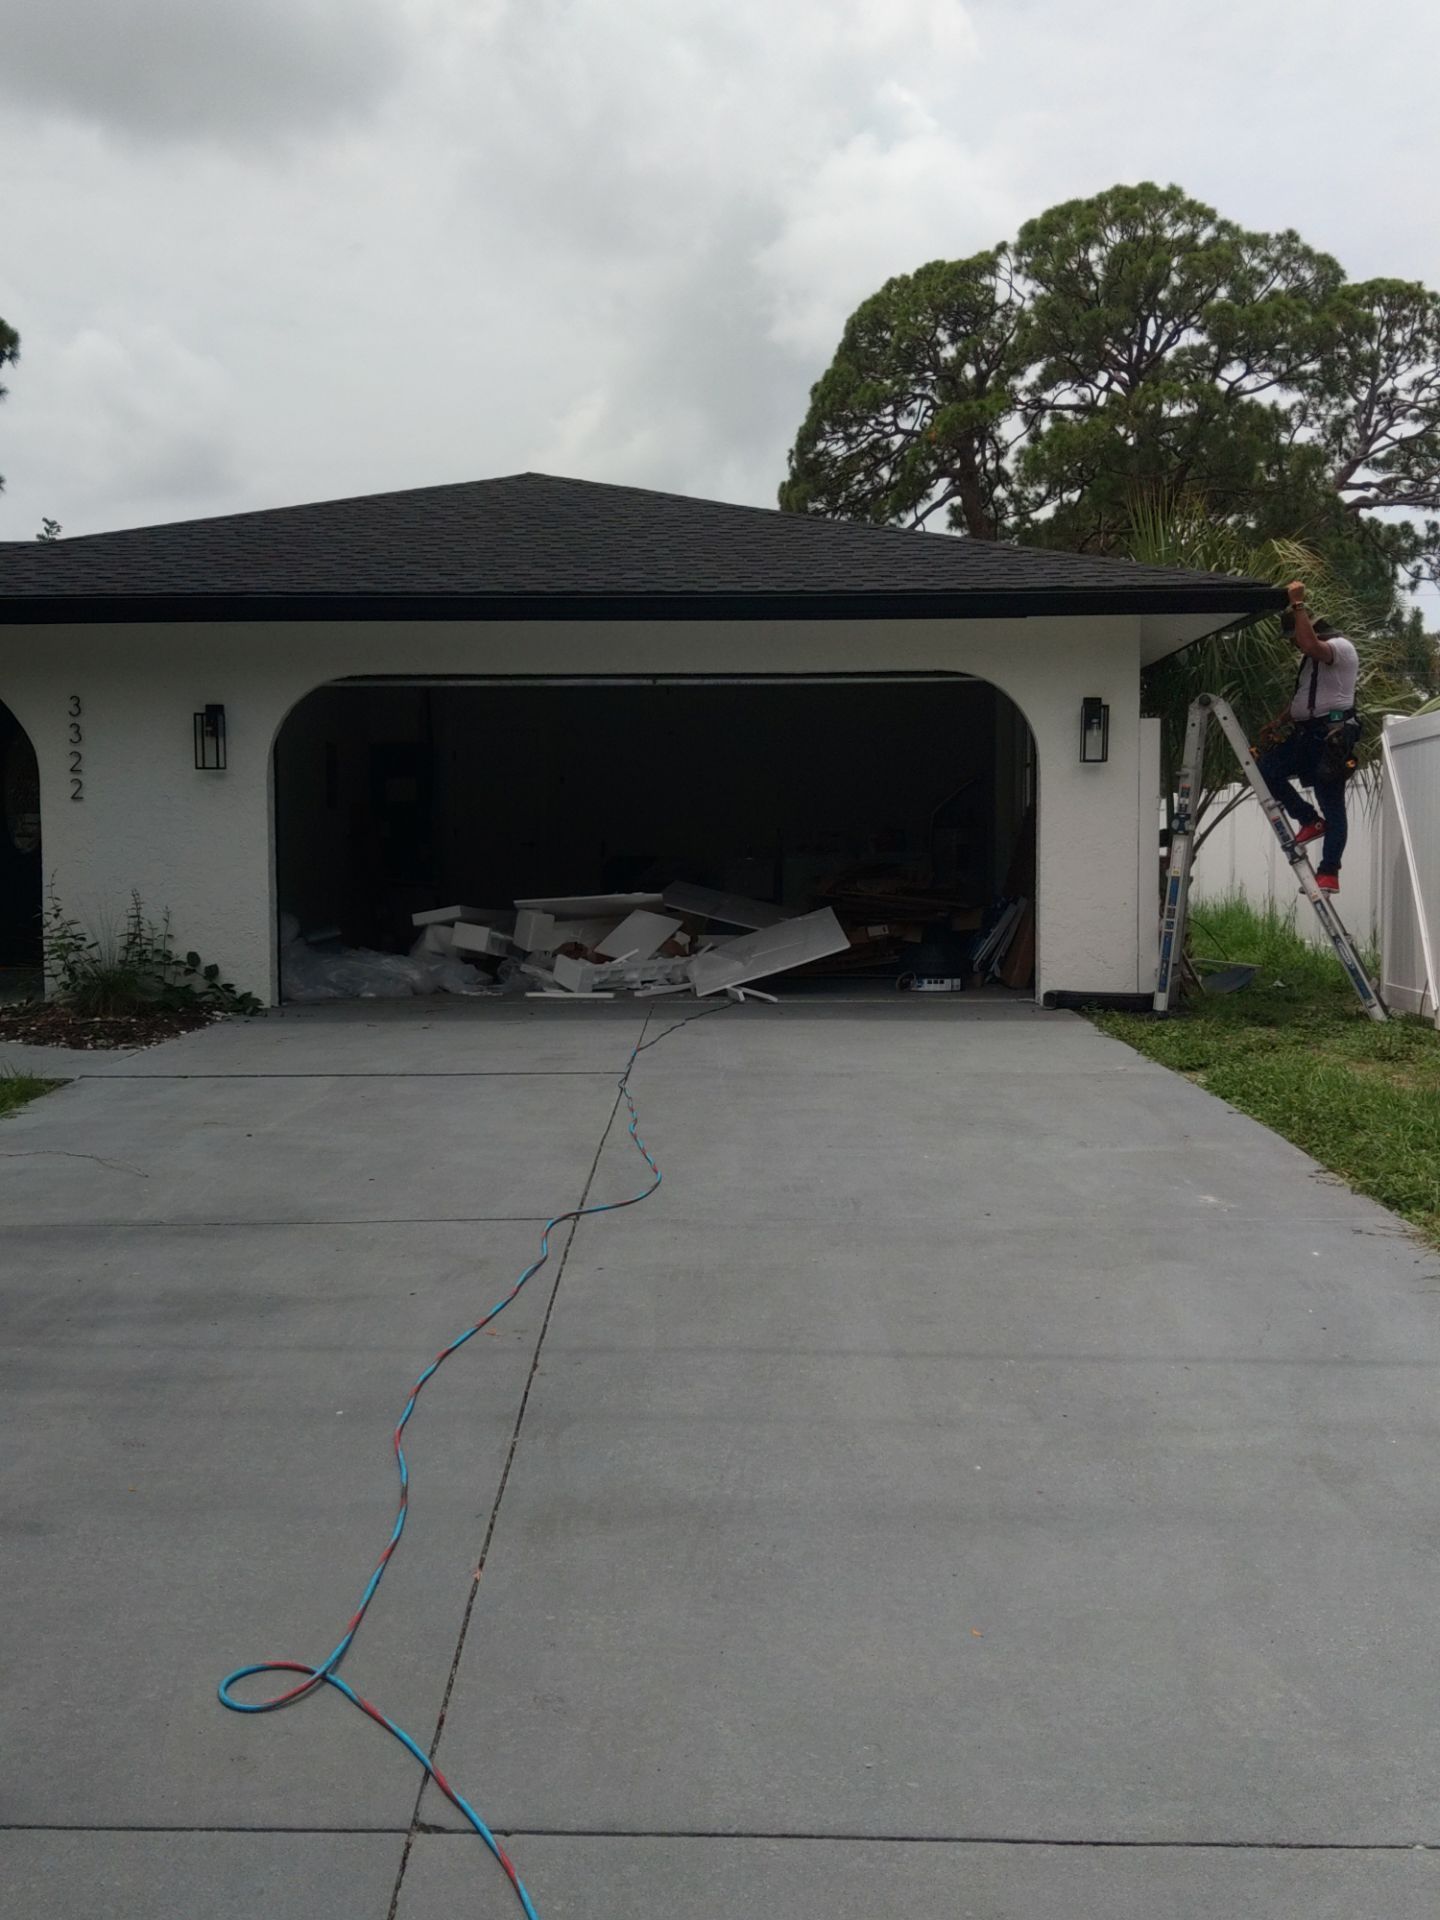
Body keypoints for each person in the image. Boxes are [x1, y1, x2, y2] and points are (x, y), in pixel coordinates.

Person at [1255, 581, 1361, 893]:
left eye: (1294, 638)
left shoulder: (1339, 648)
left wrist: (1297, 605)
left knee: (1333, 804)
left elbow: (1311, 644)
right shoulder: (1309, 662)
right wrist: (1278, 721)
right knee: (1265, 770)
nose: (1294, 645)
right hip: (1306, 734)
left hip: (1332, 736)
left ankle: (1329, 872)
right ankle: (1307, 819)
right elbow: (1305, 699)